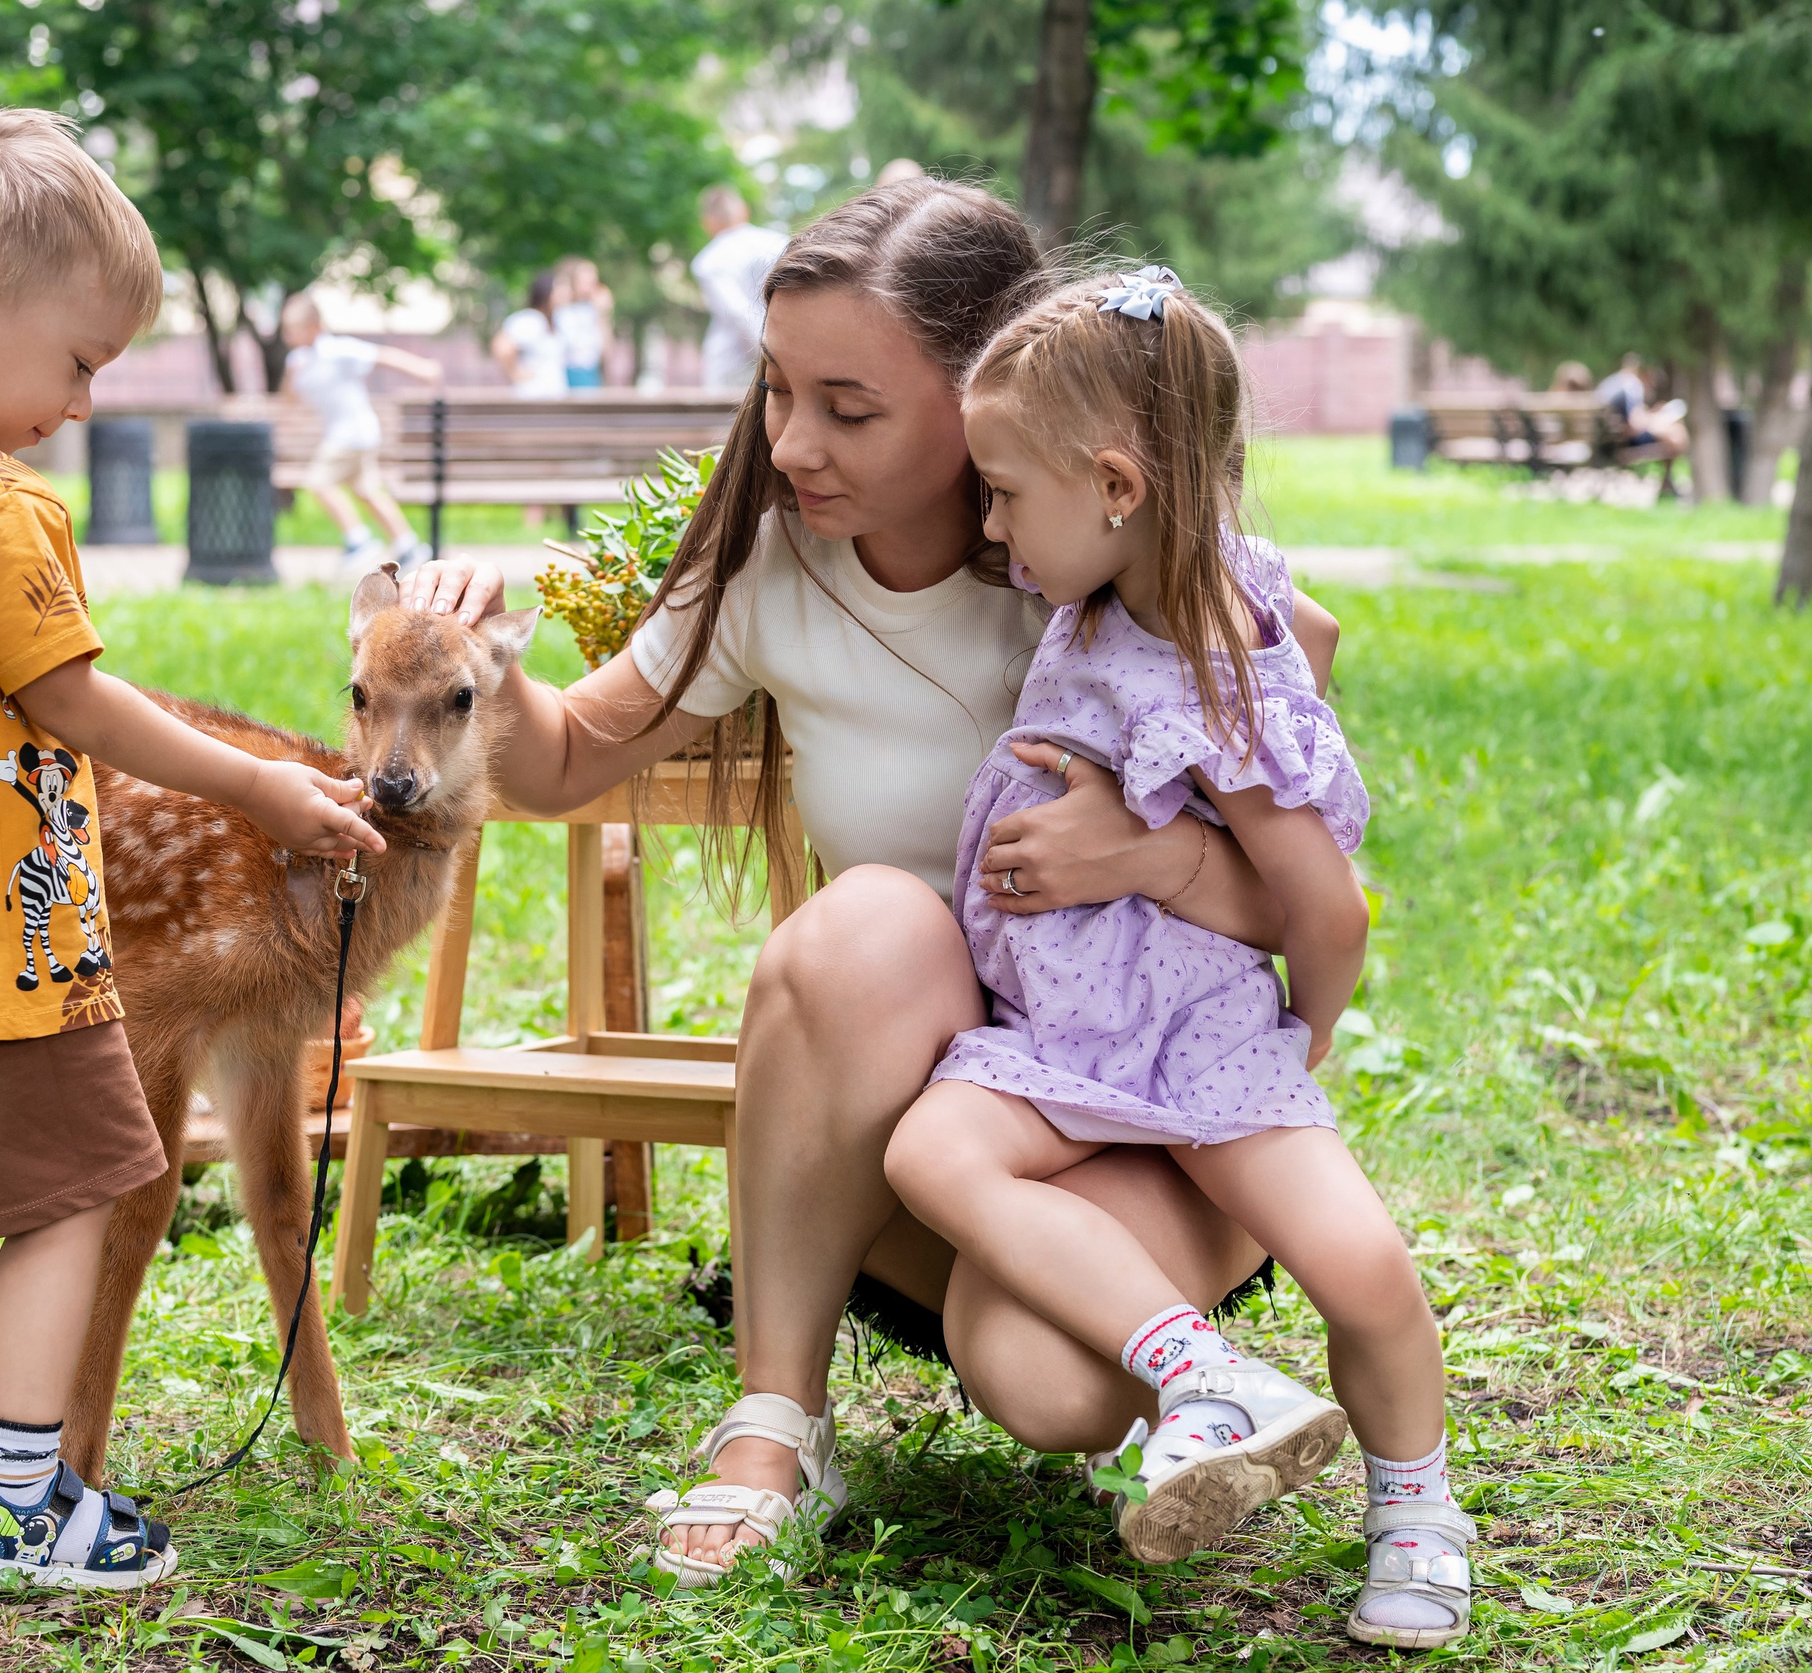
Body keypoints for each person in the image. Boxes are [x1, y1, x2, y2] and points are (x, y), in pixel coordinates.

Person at [397, 177, 1340, 1597]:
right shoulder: (773, 561)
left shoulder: (1149, 588)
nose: (790, 444)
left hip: (1153, 1104)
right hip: (941, 1131)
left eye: (849, 407)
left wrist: (1155, 859)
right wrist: (481, 667)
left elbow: (1309, 913)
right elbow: (570, 757)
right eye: (779, 391)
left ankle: (1164, 1344)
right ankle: (775, 1420)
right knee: (875, 922)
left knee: (1050, 1385)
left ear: (992, 397)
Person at [0, 107, 382, 1592]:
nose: (85, 404)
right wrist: (265, 785)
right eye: (82, 362)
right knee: (73, 1200)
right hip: (7, 946)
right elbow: (77, 701)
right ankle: (19, 1505)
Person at [881, 264, 1466, 1649]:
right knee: (929, 1150)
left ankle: (1418, 1507)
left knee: (1363, 1268)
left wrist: (1302, 1038)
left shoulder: (1213, 674)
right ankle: (1201, 1371)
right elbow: (1296, 611)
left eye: (1004, 494)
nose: (990, 525)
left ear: (1116, 488)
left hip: (1193, 1035)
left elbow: (1328, 908)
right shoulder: (1122, 593)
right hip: (1063, 1031)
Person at [279, 294, 442, 574]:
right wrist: (292, 375)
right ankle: (408, 546)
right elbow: (290, 398)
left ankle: (359, 541)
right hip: (351, 434)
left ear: (314, 326)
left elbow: (383, 356)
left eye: (294, 330)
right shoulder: (299, 360)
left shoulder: (337, 350)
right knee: (367, 490)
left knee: (318, 481)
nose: (288, 337)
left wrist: (423, 369)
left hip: (351, 434)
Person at [692, 185, 789, 394]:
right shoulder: (779, 244)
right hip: (784, 355)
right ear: (744, 210)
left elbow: (736, 312)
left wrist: (768, 355)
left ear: (707, 222)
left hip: (732, 365)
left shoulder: (709, 260)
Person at [492, 272, 569, 399]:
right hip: (533, 397)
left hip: (551, 397)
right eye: (560, 288)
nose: (566, 292)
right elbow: (502, 346)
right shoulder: (531, 319)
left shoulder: (556, 320)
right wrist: (514, 373)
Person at [555, 256, 614, 389]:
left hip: (588, 373)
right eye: (586, 279)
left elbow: (605, 352)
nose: (591, 283)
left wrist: (603, 315)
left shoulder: (594, 311)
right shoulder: (560, 311)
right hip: (563, 373)